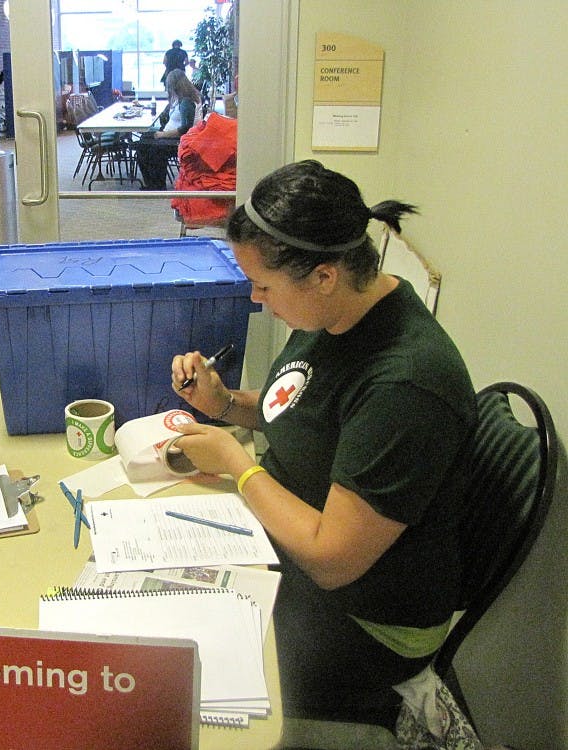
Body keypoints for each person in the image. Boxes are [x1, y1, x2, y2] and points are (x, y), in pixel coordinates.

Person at [169, 160, 477, 727]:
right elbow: (307, 412)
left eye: (264, 285)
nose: (258, 300)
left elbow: (334, 560)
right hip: (295, 549)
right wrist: (225, 405)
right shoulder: (336, 315)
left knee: (186, 677)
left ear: (324, 275)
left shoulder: (407, 381)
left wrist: (236, 462)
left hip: (369, 622)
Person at [134, 70, 202, 190]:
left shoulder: (186, 102)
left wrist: (162, 134)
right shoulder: (182, 98)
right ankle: (153, 182)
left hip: (178, 141)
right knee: (144, 139)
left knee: (144, 147)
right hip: (173, 137)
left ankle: (156, 185)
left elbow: (185, 128)